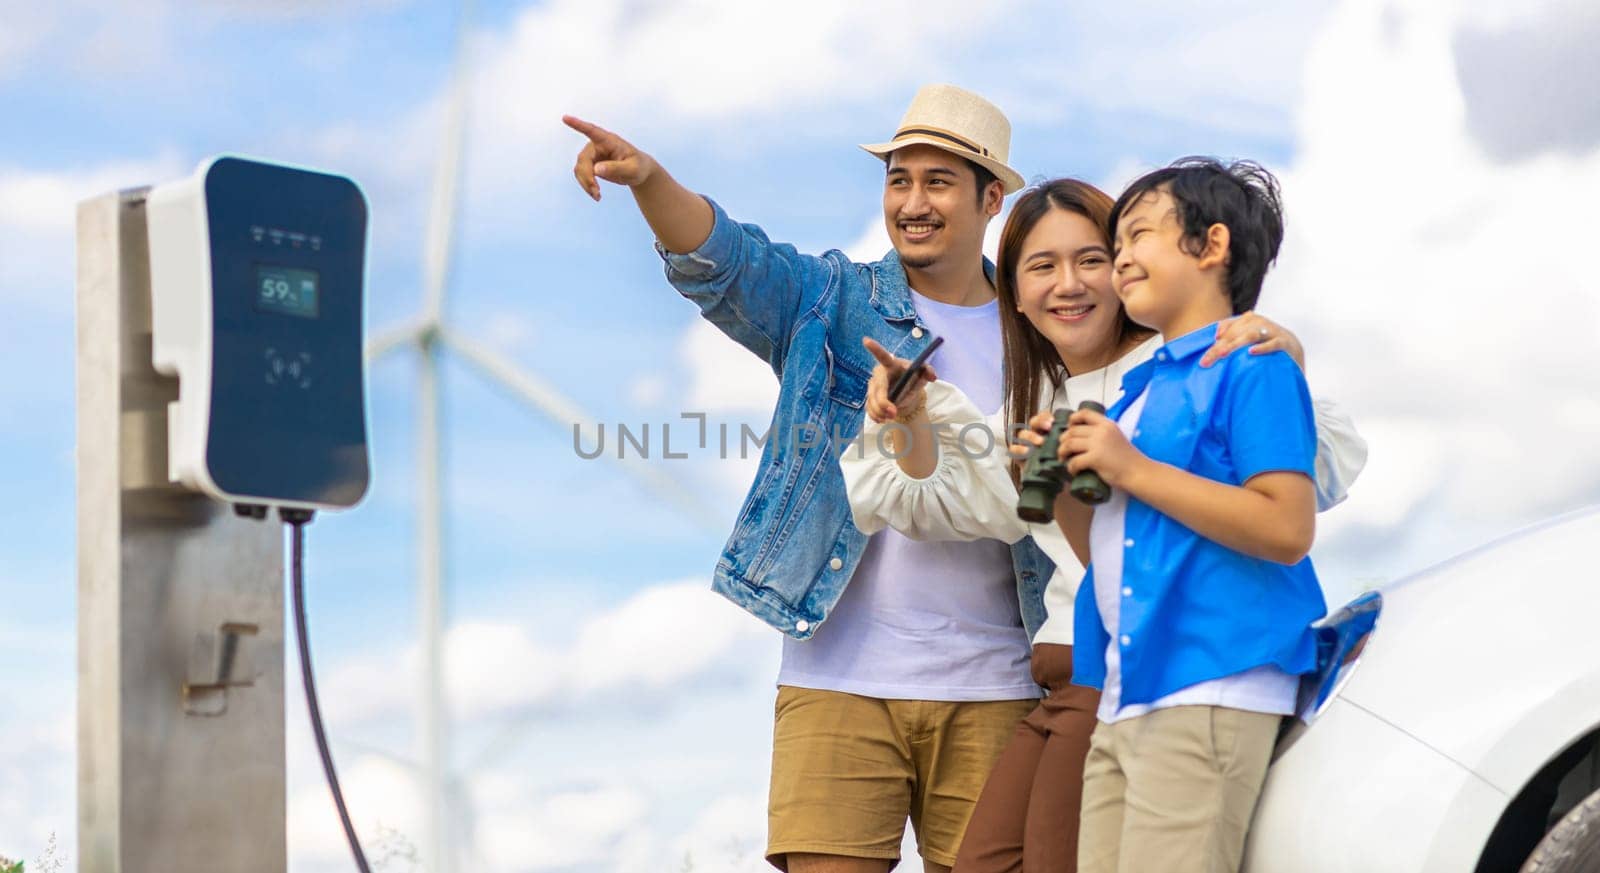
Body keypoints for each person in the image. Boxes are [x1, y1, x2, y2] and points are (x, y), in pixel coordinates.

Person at [566, 84, 1323, 872]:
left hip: (1002, 679)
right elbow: (730, 266)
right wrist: (653, 183)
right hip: (839, 674)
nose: (913, 202)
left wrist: (1273, 342)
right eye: (899, 179)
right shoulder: (838, 301)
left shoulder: (1050, 330)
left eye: (937, 181)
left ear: (991, 197)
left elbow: (1103, 488)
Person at [840, 176, 1366, 872]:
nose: (1091, 275)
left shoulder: (1223, 362)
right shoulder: (1117, 401)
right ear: (1015, 295)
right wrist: (1038, 478)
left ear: (1208, 249)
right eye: (1042, 265)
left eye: (1106, 252)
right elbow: (1099, 546)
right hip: (1115, 675)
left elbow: (1297, 494)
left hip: (1193, 670)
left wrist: (1282, 350)